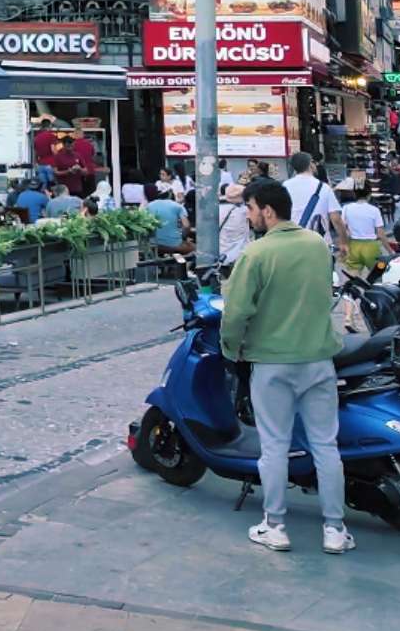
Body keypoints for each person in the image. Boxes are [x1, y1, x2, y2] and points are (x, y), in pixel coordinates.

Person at [220, 179, 351, 556]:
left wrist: (231, 349)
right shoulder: (316, 246)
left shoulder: (256, 254)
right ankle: (335, 530)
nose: (248, 215)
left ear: (267, 210)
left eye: (250, 208)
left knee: (274, 446)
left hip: (272, 363)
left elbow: (237, 312)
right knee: (326, 446)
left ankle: (275, 526)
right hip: (318, 360)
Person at [336, 183, 386, 275]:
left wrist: (342, 245)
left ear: (354, 194)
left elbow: (342, 230)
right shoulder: (374, 210)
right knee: (377, 277)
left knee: (353, 278)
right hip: (371, 246)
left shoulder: (346, 208)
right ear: (369, 194)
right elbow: (381, 234)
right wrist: (391, 251)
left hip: (353, 246)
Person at [145, 188, 188, 259]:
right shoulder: (177, 206)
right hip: (174, 244)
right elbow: (186, 226)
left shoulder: (149, 205)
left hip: (154, 245)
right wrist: (182, 237)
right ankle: (187, 268)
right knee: (195, 249)